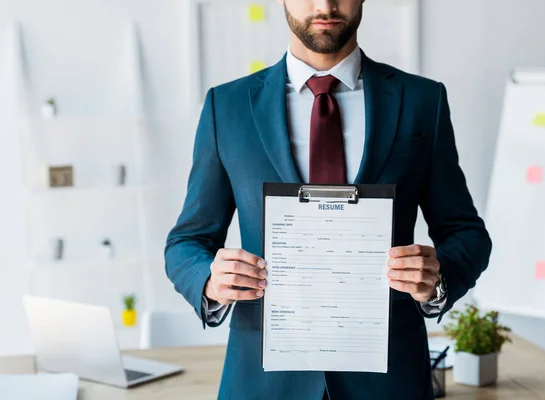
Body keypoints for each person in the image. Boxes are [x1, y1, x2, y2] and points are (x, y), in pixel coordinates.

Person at [165, 0, 492, 398]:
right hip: (263, 382)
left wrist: (438, 279)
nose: (326, 5)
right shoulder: (227, 107)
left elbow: (467, 233)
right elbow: (186, 242)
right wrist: (210, 281)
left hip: (389, 380)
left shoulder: (423, 102)